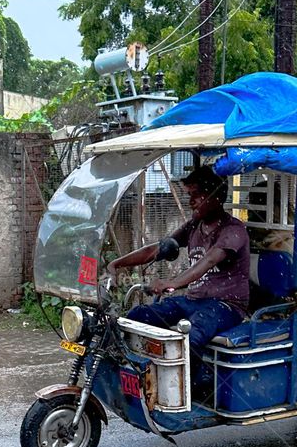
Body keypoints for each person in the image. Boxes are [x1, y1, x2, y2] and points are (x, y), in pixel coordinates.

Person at [106, 166, 250, 393]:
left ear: (217, 196)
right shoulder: (194, 225)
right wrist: (116, 264)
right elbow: (157, 248)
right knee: (138, 317)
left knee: (190, 337)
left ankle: (195, 390)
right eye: (189, 195)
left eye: (196, 195)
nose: (191, 201)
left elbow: (209, 261)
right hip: (194, 300)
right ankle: (141, 377)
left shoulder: (234, 230)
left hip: (226, 305)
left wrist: (170, 283)